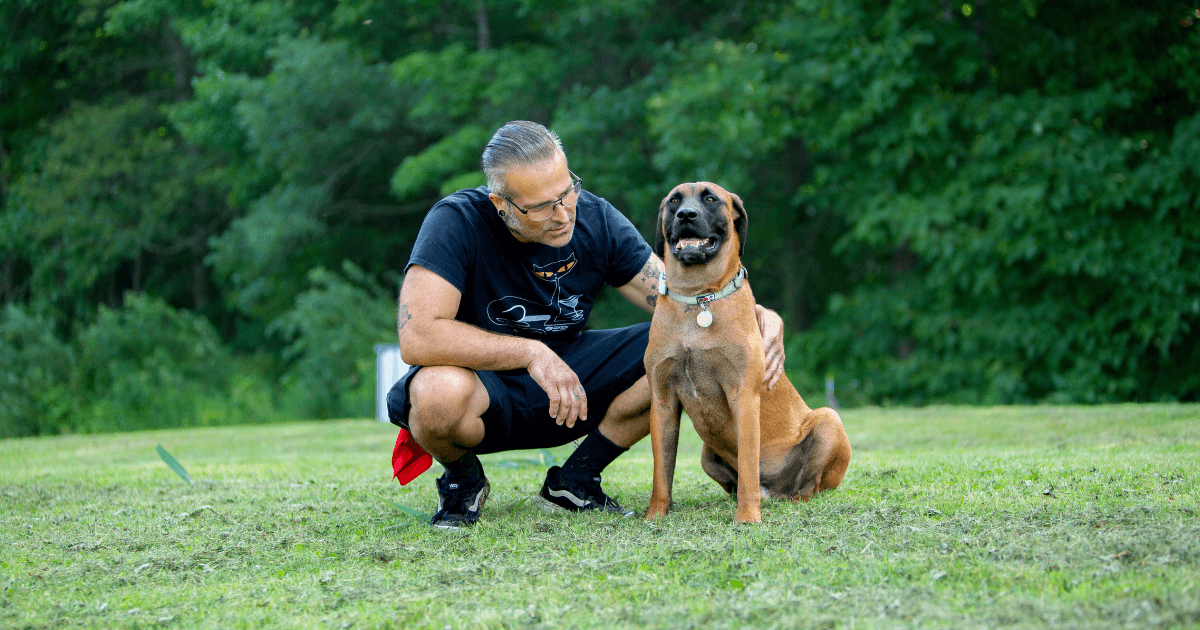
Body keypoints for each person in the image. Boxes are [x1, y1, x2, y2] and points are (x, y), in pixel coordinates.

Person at [388, 120, 786, 528]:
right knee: (435, 394)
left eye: (567, 192)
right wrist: (530, 352)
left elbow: (678, 296)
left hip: (571, 387)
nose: (563, 215)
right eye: (542, 206)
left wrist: (758, 314)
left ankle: (575, 482)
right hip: (482, 390)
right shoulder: (456, 220)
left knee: (669, 351)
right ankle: (463, 481)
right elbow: (418, 335)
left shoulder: (595, 219)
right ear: (500, 204)